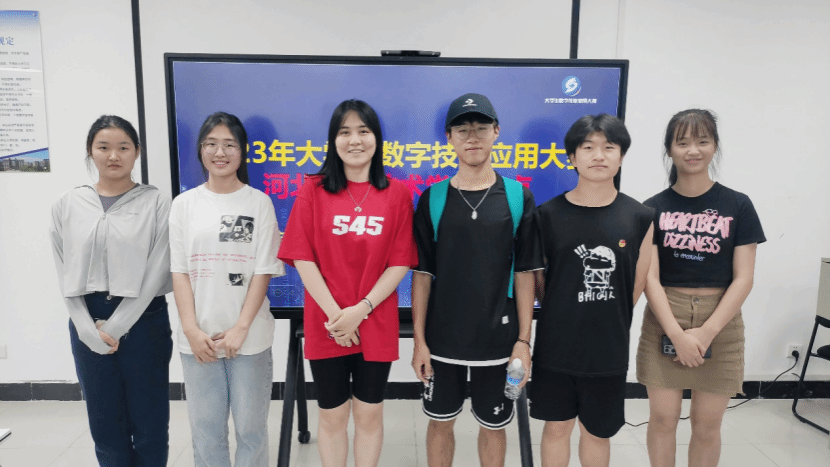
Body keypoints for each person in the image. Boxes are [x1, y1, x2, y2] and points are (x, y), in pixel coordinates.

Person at [278, 99, 417, 467]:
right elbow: (301, 256)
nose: (355, 140)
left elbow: (400, 261)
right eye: (345, 132)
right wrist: (338, 317)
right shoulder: (313, 189)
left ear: (377, 138)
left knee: (369, 415)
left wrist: (361, 310)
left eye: (363, 131)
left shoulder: (398, 193)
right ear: (333, 140)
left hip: (376, 318)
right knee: (332, 416)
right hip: (326, 322)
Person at [411, 93, 543, 467]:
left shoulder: (517, 197)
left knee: (493, 426)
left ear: (496, 132)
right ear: (449, 138)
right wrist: (419, 341)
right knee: (440, 423)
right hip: (442, 339)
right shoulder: (432, 199)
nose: (472, 137)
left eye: (481, 127)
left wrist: (523, 342)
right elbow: (422, 275)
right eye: (462, 129)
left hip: (498, 340)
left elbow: (525, 274)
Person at [636, 109, 765, 467]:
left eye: (702, 141)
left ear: (715, 146)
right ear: (669, 150)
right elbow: (650, 278)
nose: (693, 150)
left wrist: (706, 332)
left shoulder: (738, 205)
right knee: (663, 421)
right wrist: (676, 334)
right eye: (683, 143)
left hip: (721, 322)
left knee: (707, 426)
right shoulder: (652, 208)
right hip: (665, 316)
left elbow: (744, 278)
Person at [49, 115, 173, 466]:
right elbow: (63, 268)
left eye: (123, 147)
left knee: (149, 423)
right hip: (87, 322)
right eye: (103, 147)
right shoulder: (68, 203)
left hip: (145, 321)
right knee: (104, 424)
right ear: (91, 151)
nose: (113, 156)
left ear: (137, 152)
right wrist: (86, 329)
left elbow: (157, 269)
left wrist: (116, 327)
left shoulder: (156, 202)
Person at [531, 114, 654, 467]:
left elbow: (636, 283)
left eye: (609, 147)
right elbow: (539, 283)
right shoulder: (547, 215)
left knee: (598, 433)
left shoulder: (640, 216)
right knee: (556, 428)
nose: (598, 156)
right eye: (588, 147)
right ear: (572, 157)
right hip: (556, 346)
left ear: (621, 156)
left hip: (607, 349)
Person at [169, 112, 284, 467]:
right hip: (198, 339)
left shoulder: (258, 203)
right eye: (212, 144)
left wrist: (240, 328)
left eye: (229, 144)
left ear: (243, 151)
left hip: (249, 337)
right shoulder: (184, 204)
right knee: (206, 432)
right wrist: (191, 330)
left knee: (251, 430)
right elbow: (179, 271)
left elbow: (263, 271)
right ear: (201, 150)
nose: (220, 152)